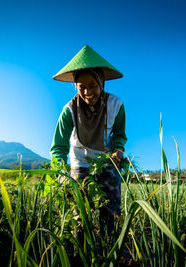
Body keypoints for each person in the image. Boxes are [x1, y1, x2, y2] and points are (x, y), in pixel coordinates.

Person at [50, 45, 127, 235]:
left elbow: (119, 135)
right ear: (75, 87)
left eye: (92, 85)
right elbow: (58, 147)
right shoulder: (69, 110)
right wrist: (62, 174)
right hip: (80, 164)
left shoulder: (115, 105)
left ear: (101, 84)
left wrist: (118, 149)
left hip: (106, 163)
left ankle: (110, 252)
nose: (87, 92)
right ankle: (80, 254)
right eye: (82, 87)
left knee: (111, 213)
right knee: (80, 217)